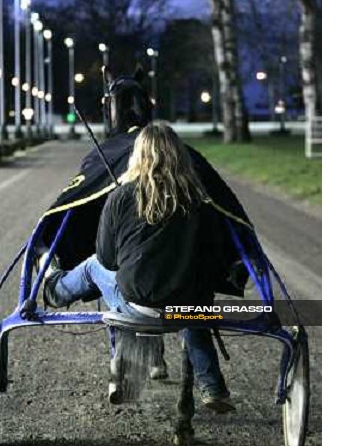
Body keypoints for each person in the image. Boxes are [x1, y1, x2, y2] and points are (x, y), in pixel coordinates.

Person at [43, 122, 235, 413]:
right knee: (190, 301)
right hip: (189, 309)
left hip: (137, 307)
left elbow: (107, 259)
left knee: (93, 265)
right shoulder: (202, 201)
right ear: (180, 156)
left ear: (138, 155)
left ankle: (55, 290)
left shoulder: (121, 196)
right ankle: (213, 388)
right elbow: (212, 258)